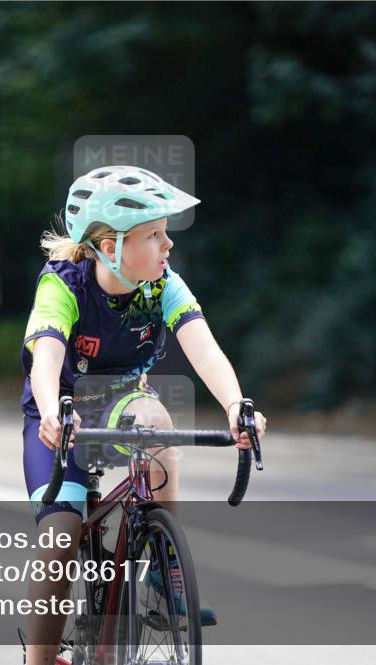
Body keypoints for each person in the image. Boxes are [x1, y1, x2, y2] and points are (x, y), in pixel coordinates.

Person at [20, 165, 267, 663]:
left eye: (165, 233)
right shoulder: (63, 285)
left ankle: (162, 565)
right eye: (153, 235)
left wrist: (236, 406)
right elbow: (45, 355)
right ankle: (40, 659)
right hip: (64, 414)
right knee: (62, 537)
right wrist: (51, 412)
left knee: (158, 423)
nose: (167, 245)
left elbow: (203, 347)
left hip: (124, 399)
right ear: (109, 246)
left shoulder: (162, 285)